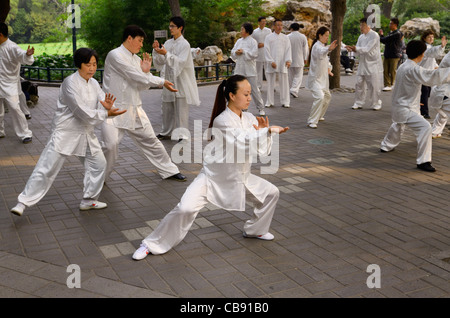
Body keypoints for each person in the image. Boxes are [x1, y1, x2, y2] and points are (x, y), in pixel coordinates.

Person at [132, 75, 289, 260]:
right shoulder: (221, 121)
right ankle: (150, 244)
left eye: (250, 94)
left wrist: (265, 135)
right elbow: (242, 140)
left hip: (240, 177)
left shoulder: (248, 118)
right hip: (212, 178)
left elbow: (260, 151)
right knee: (185, 209)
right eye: (246, 94)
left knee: (271, 193)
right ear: (231, 95)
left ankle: (256, 230)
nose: (249, 98)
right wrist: (265, 132)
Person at [10, 48, 126, 216]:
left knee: (99, 164)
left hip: (85, 132)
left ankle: (88, 200)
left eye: (94, 64)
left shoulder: (93, 83)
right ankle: (22, 203)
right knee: (47, 167)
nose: (92, 68)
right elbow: (80, 110)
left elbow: (102, 100)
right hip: (65, 132)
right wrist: (105, 113)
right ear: (79, 65)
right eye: (88, 64)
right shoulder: (69, 82)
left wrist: (108, 107)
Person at [101, 25, 186, 182]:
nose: (141, 45)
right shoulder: (115, 55)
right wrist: (160, 81)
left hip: (134, 108)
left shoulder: (137, 59)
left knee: (151, 141)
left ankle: (169, 170)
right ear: (129, 38)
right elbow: (133, 75)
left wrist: (146, 72)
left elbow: (141, 84)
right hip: (113, 108)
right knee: (110, 145)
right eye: (139, 41)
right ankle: (99, 178)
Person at [380, 40, 450, 172]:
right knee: (425, 127)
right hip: (405, 107)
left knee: (398, 124)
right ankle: (423, 161)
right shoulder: (413, 69)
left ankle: (386, 145)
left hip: (404, 105)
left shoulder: (404, 66)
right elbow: (431, 77)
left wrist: (415, 101)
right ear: (421, 55)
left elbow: (403, 88)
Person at [152, 16, 200, 142]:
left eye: (173, 26)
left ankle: (182, 134)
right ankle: (166, 131)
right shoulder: (168, 43)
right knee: (167, 107)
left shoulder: (185, 44)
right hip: (169, 79)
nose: (170, 28)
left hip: (181, 80)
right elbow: (162, 62)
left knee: (181, 109)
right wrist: (157, 51)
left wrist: (166, 54)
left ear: (180, 28)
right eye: (170, 26)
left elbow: (181, 62)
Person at [0, 22, 34, 143]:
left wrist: (27, 54)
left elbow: (22, 55)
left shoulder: (12, 47)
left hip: (9, 84)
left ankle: (25, 134)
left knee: (15, 108)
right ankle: (0, 131)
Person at [348, 18, 383, 111]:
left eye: (363, 25)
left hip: (372, 64)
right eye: (360, 25)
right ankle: (358, 102)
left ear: (369, 25)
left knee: (373, 85)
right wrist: (353, 49)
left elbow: (368, 49)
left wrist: (357, 49)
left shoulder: (374, 35)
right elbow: (358, 50)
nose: (361, 27)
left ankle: (376, 103)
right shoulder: (361, 37)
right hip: (362, 63)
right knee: (359, 83)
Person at [305, 26, 338, 129]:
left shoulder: (323, 47)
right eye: (326, 36)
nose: (327, 38)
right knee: (320, 97)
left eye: (328, 36)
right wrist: (329, 48)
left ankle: (319, 115)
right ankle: (312, 121)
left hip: (323, 79)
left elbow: (326, 60)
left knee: (327, 96)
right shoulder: (316, 46)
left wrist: (329, 69)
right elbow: (321, 52)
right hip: (315, 79)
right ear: (320, 35)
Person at [231, 22, 265, 116]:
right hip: (240, 69)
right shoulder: (239, 41)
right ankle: (243, 108)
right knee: (240, 89)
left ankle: (261, 107)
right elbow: (232, 52)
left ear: (247, 30)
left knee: (254, 89)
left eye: (242, 29)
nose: (241, 31)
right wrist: (236, 53)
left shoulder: (253, 41)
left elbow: (254, 54)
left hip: (250, 69)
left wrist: (244, 52)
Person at [418, 31, 447, 119]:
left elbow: (433, 60)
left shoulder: (430, 47)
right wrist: (441, 46)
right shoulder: (424, 47)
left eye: (432, 37)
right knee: (425, 93)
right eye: (429, 37)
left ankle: (420, 109)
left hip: (429, 74)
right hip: (422, 73)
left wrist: (437, 67)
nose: (431, 39)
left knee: (426, 93)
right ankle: (424, 112)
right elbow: (431, 52)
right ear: (424, 38)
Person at [264, 19, 292, 108]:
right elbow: (266, 50)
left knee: (284, 82)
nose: (280, 27)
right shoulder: (268, 37)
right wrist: (270, 61)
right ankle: (269, 101)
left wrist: (288, 60)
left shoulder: (285, 37)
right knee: (270, 83)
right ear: (273, 26)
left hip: (282, 62)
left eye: (281, 25)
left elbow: (288, 50)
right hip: (272, 62)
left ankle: (285, 101)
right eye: (278, 25)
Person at [379, 17, 403, 91]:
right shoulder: (391, 33)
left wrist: (380, 36)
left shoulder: (397, 34)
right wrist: (382, 35)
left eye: (391, 23)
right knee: (385, 70)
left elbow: (385, 40)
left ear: (395, 25)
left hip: (394, 55)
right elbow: (385, 40)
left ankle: (392, 84)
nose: (389, 25)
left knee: (392, 71)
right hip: (387, 54)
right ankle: (387, 84)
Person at [430, 51, 450, 139]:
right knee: (445, 111)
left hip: (440, 92)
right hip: (444, 93)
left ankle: (435, 131)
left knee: (443, 113)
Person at [288, 22, 309, 98]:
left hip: (289, 59)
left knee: (291, 76)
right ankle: (294, 90)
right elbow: (305, 48)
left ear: (292, 28)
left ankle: (291, 89)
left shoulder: (288, 36)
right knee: (298, 76)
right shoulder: (302, 37)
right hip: (300, 59)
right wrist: (305, 58)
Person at [252, 17, 272, 90]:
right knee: (258, 71)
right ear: (259, 22)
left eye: (265, 21)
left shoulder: (268, 31)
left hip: (267, 52)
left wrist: (263, 44)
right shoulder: (254, 32)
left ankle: (271, 86)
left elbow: (271, 41)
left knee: (268, 70)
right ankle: (258, 86)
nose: (264, 23)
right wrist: (257, 45)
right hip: (258, 53)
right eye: (262, 21)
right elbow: (252, 42)